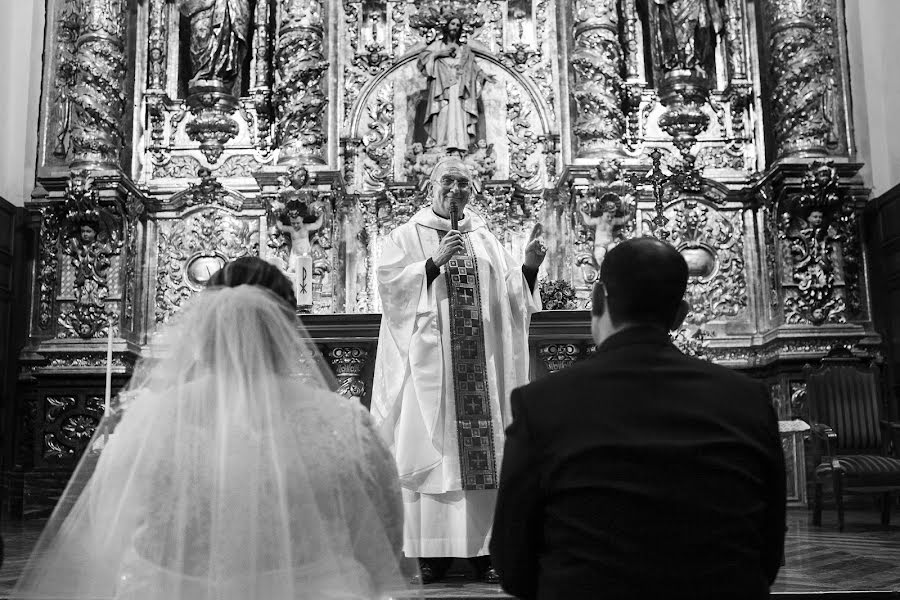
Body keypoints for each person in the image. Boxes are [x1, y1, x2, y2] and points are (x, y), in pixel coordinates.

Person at [12, 257, 410, 600]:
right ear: (289, 327)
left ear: (205, 324)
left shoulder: (148, 417)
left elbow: (105, 533)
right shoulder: (346, 423)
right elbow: (383, 538)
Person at [491, 237, 786, 600]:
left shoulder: (541, 404)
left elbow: (512, 566)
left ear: (598, 300)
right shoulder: (748, 400)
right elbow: (769, 555)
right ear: (680, 314)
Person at [371, 155, 545, 584]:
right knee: (430, 451)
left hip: (480, 367)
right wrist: (431, 265)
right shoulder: (405, 236)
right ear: (431, 186)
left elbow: (511, 298)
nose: (455, 190)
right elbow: (390, 289)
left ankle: (486, 550)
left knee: (483, 453)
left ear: (474, 190)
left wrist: (528, 267)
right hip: (428, 366)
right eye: (447, 181)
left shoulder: (484, 239)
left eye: (464, 183)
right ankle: (427, 553)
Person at [418, 15, 493, 151]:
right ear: (446, 26)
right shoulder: (437, 46)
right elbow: (423, 62)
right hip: (441, 88)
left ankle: (460, 144)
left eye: (458, 25)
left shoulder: (465, 50)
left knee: (460, 114)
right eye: (452, 24)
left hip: (460, 88)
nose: (455, 27)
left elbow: (473, 66)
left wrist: (482, 76)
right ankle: (441, 143)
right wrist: (439, 54)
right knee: (443, 112)